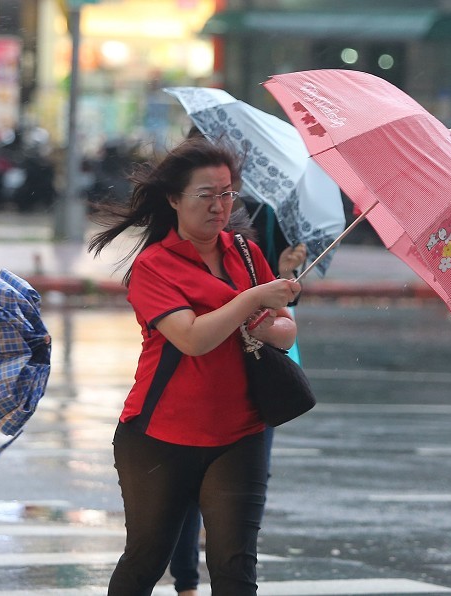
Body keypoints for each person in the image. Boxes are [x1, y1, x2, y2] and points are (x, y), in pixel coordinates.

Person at [88, 135, 301, 594]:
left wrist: (261, 321)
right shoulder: (155, 266)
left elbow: (286, 331)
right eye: (206, 195)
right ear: (174, 199)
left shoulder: (244, 252)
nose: (219, 206)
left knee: (235, 566)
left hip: (240, 432)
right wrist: (250, 303)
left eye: (227, 194)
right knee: (146, 558)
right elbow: (191, 339)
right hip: (160, 436)